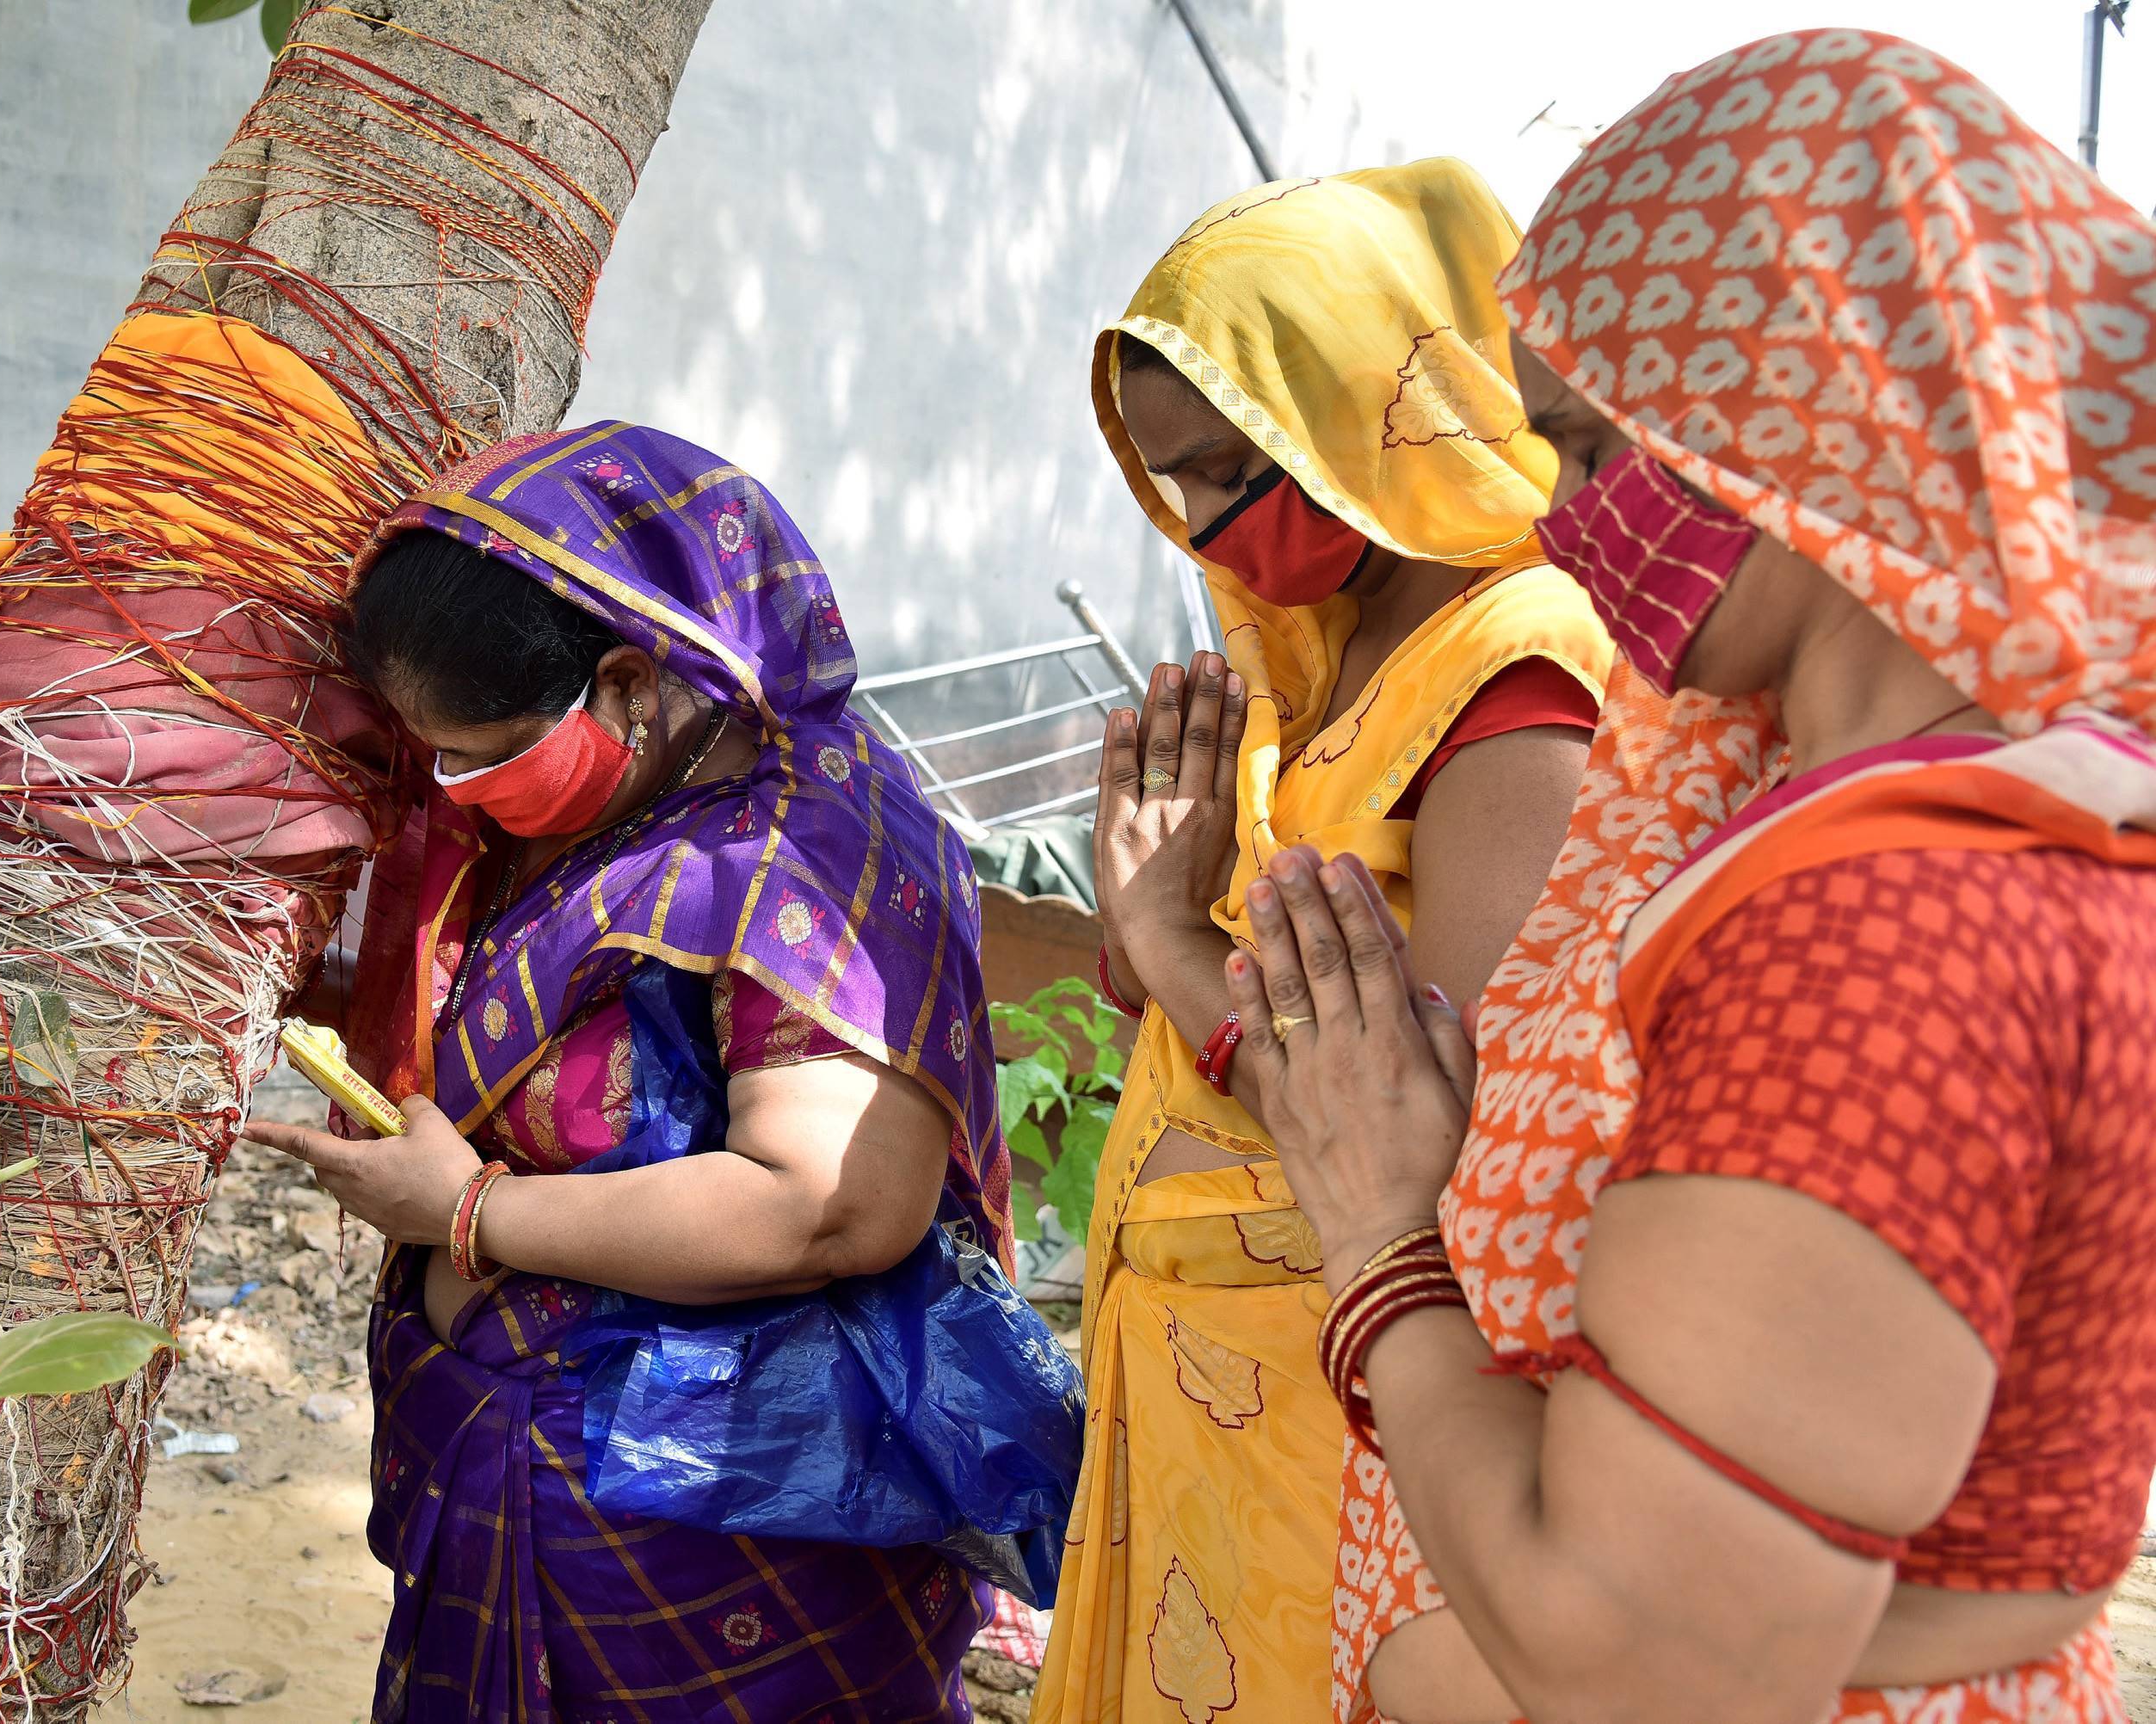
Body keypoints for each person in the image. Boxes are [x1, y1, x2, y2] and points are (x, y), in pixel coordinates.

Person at [1226, 31, 2156, 1724]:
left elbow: (1645, 1663)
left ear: (1811, 403)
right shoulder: (1862, 792)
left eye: (1593, 449)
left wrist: (1378, 1241)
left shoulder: (1893, 928)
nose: (1567, 524)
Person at [243, 422, 1039, 1723]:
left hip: (714, 1551)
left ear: (629, 682)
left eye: (487, 748)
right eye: (433, 751)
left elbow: (832, 1203)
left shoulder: (809, 855)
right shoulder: (598, 809)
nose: (457, 787)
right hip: (523, 1485)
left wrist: (470, 1213)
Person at [1034, 163, 1614, 1722]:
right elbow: (1158, 973)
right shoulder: (1301, 657)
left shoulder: (1520, 663)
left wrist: (1160, 930)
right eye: (1174, 482)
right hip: (1195, 1368)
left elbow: (1455, 1106)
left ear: (1380, 395)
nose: (1209, 525)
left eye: (1234, 467)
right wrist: (1138, 903)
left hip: (1341, 1390)